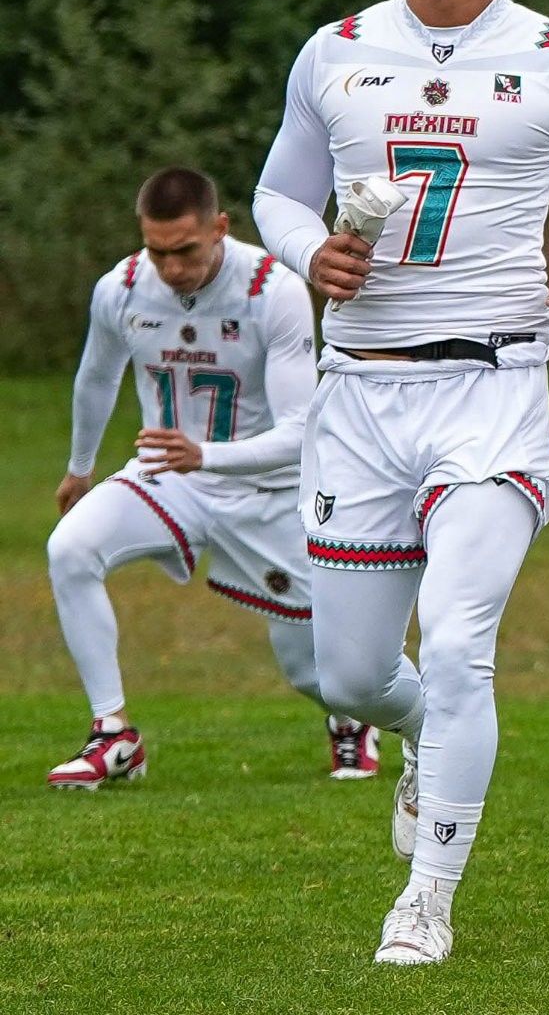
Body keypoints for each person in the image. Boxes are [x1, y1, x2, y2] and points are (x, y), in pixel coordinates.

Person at [253, 0, 549, 967]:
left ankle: (426, 899)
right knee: (349, 674)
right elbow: (276, 195)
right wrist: (305, 253)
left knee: (465, 637)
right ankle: (424, 735)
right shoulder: (332, 50)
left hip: (494, 387)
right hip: (359, 400)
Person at [45, 169, 372, 788]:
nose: (170, 268)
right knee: (69, 549)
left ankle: (354, 720)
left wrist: (206, 456)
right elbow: (96, 377)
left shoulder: (268, 289)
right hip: (167, 477)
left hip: (264, 490)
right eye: (157, 251)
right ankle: (114, 734)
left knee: (316, 672)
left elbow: (301, 431)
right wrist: (80, 467)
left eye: (185, 251)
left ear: (220, 229)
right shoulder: (121, 288)